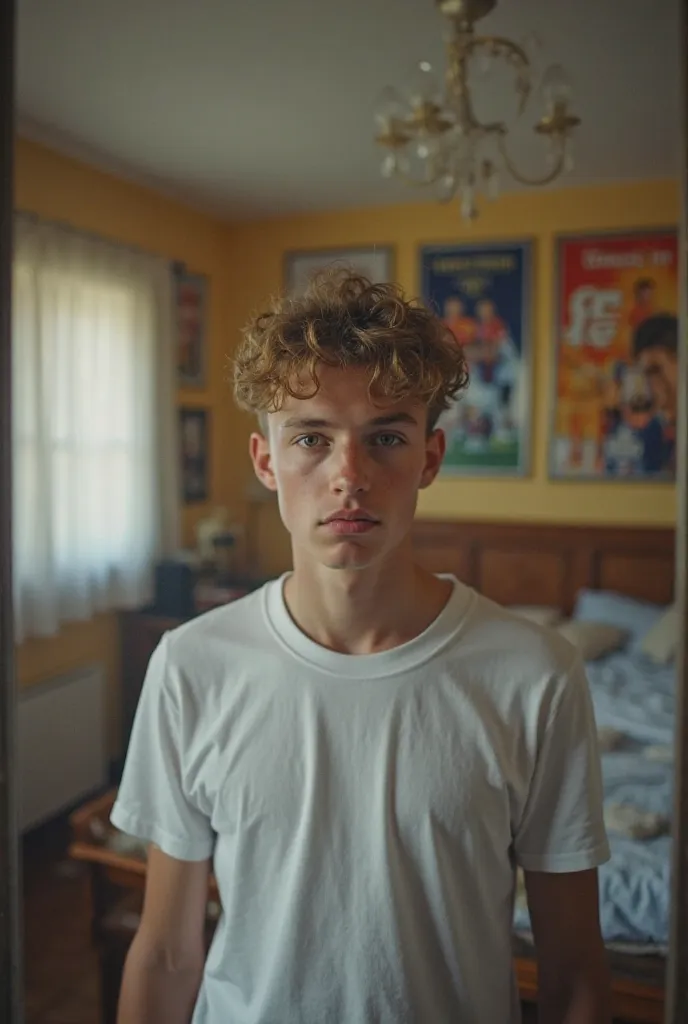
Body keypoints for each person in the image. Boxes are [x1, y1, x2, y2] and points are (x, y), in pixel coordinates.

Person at [111, 270, 612, 1024]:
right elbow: (167, 952)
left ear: (430, 459)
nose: (349, 476)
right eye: (312, 438)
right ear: (265, 461)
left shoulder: (536, 675)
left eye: (385, 439)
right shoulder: (191, 664)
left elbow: (575, 975)